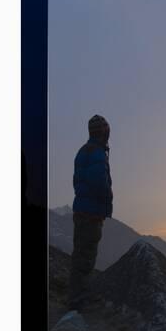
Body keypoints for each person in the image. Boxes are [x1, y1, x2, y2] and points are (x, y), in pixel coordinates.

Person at [68, 115, 113, 310]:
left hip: (82, 210)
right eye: (106, 130)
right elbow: (98, 183)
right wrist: (106, 198)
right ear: (103, 132)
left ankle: (78, 296)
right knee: (86, 256)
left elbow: (78, 181)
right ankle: (78, 300)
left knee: (81, 254)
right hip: (91, 213)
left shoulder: (83, 151)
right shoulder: (96, 153)